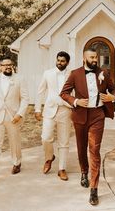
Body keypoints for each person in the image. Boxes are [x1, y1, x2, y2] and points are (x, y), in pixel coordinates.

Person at [60, 47, 115, 206]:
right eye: (92, 57)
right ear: (84, 58)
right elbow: (64, 93)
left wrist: (112, 96)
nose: (95, 60)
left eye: (96, 57)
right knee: (81, 147)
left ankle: (94, 188)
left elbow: (113, 89)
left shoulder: (104, 73)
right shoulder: (75, 74)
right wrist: (76, 101)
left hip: (98, 115)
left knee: (94, 149)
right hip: (80, 115)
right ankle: (84, 172)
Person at [0, 57, 29, 187]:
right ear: (0, 66)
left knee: (15, 143)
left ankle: (17, 162)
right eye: (5, 65)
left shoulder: (20, 79)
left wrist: (19, 114)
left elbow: (25, 99)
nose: (8, 67)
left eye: (10, 64)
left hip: (14, 117)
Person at [35, 51, 72, 181]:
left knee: (64, 141)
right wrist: (37, 109)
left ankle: (62, 168)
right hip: (50, 110)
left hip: (66, 110)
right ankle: (49, 157)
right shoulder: (48, 73)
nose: (59, 63)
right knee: (45, 138)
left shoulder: (72, 74)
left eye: (62, 61)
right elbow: (40, 91)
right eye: (58, 60)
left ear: (67, 62)